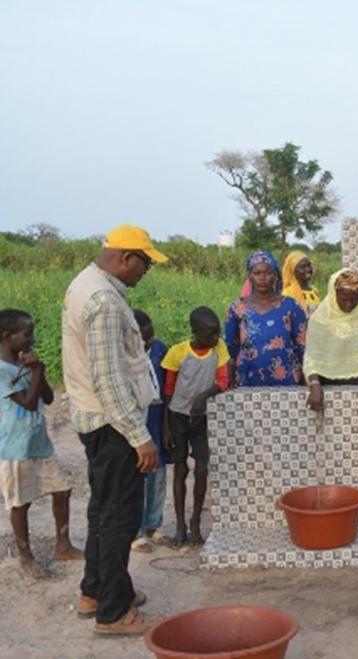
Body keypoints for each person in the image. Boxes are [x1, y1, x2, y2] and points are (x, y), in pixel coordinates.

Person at [62, 224, 166, 635]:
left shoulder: (87, 283)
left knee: (104, 510)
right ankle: (114, 613)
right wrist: (139, 436)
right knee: (120, 517)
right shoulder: (104, 300)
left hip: (98, 421)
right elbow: (109, 378)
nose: (146, 271)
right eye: (145, 263)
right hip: (113, 426)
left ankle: (94, 591)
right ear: (126, 258)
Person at [0, 309, 83, 579]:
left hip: (40, 444)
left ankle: (63, 545)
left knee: (62, 490)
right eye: (27, 334)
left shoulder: (26, 364)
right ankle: (25, 558)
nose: (32, 339)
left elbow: (47, 398)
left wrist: (40, 370)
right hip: (15, 449)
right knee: (20, 503)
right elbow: (27, 402)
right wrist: (35, 370)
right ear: (7, 337)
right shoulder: (2, 371)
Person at [162, 307, 229, 547]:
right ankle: (180, 526)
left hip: (202, 418)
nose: (215, 338)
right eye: (210, 333)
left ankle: (195, 523)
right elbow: (168, 392)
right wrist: (166, 428)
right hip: (178, 416)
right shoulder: (177, 353)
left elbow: (224, 381)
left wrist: (203, 397)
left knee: (202, 469)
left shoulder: (219, 349)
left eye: (217, 333)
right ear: (195, 331)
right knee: (180, 470)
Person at [224, 250, 307, 387]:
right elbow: (230, 347)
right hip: (247, 382)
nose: (262, 278)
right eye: (257, 273)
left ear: (275, 276)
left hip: (287, 383)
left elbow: (302, 345)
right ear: (250, 276)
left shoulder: (291, 306)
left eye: (268, 273)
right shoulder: (237, 308)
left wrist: (306, 377)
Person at [304, 269, 358, 412]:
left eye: (354, 300)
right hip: (328, 383)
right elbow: (312, 358)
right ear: (333, 294)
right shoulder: (320, 319)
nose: (349, 304)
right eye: (343, 300)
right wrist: (314, 385)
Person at [131, 310, 170, 554]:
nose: (149, 342)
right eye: (143, 338)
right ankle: (134, 531)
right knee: (137, 477)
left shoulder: (160, 349)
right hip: (138, 418)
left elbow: (167, 387)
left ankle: (152, 525)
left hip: (157, 416)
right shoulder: (126, 355)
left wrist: (167, 426)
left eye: (151, 336)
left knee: (158, 475)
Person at [281, 251, 321, 316]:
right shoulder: (288, 293)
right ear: (294, 270)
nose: (308, 269)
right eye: (303, 267)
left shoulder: (314, 291)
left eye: (309, 265)